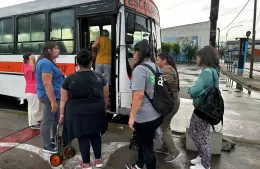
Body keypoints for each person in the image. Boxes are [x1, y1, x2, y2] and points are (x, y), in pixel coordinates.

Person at [59, 49, 108, 169]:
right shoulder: (100, 77)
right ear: (91, 62)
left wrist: (62, 115)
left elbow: (64, 100)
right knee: (95, 134)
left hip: (78, 113)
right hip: (97, 110)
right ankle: (98, 160)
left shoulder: (69, 79)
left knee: (83, 136)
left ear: (78, 63)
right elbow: (105, 96)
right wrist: (103, 109)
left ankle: (86, 163)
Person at [127, 39, 163, 169]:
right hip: (156, 112)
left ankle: (145, 165)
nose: (133, 55)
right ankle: (139, 164)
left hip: (144, 117)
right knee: (144, 142)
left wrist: (131, 116)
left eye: (134, 52)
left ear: (139, 53)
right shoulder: (155, 66)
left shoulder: (140, 69)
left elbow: (138, 95)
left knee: (147, 147)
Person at [188, 46, 220, 169]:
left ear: (203, 58)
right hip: (205, 108)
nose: (196, 59)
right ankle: (201, 157)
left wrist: (191, 89)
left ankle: (205, 165)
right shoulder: (213, 70)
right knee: (196, 132)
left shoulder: (207, 72)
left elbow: (194, 91)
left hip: (203, 109)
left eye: (198, 56)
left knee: (202, 136)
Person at [36, 42, 63, 154]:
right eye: (56, 49)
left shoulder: (49, 62)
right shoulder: (45, 63)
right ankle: (47, 145)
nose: (58, 50)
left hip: (54, 96)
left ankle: (54, 139)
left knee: (55, 120)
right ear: (49, 51)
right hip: (49, 97)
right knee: (47, 121)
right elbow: (47, 84)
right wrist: (53, 102)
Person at [155, 52, 181, 162]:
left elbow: (161, 86)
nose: (156, 62)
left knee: (163, 128)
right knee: (166, 125)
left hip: (170, 104)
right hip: (173, 102)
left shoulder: (167, 70)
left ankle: (174, 152)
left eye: (158, 60)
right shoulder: (168, 69)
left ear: (164, 60)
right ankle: (165, 147)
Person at [23, 52, 43, 129]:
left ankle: (37, 121)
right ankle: (33, 124)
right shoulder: (27, 67)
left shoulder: (28, 65)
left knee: (37, 107)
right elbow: (32, 69)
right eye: (32, 57)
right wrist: (31, 60)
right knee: (33, 108)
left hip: (33, 90)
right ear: (28, 59)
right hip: (32, 90)